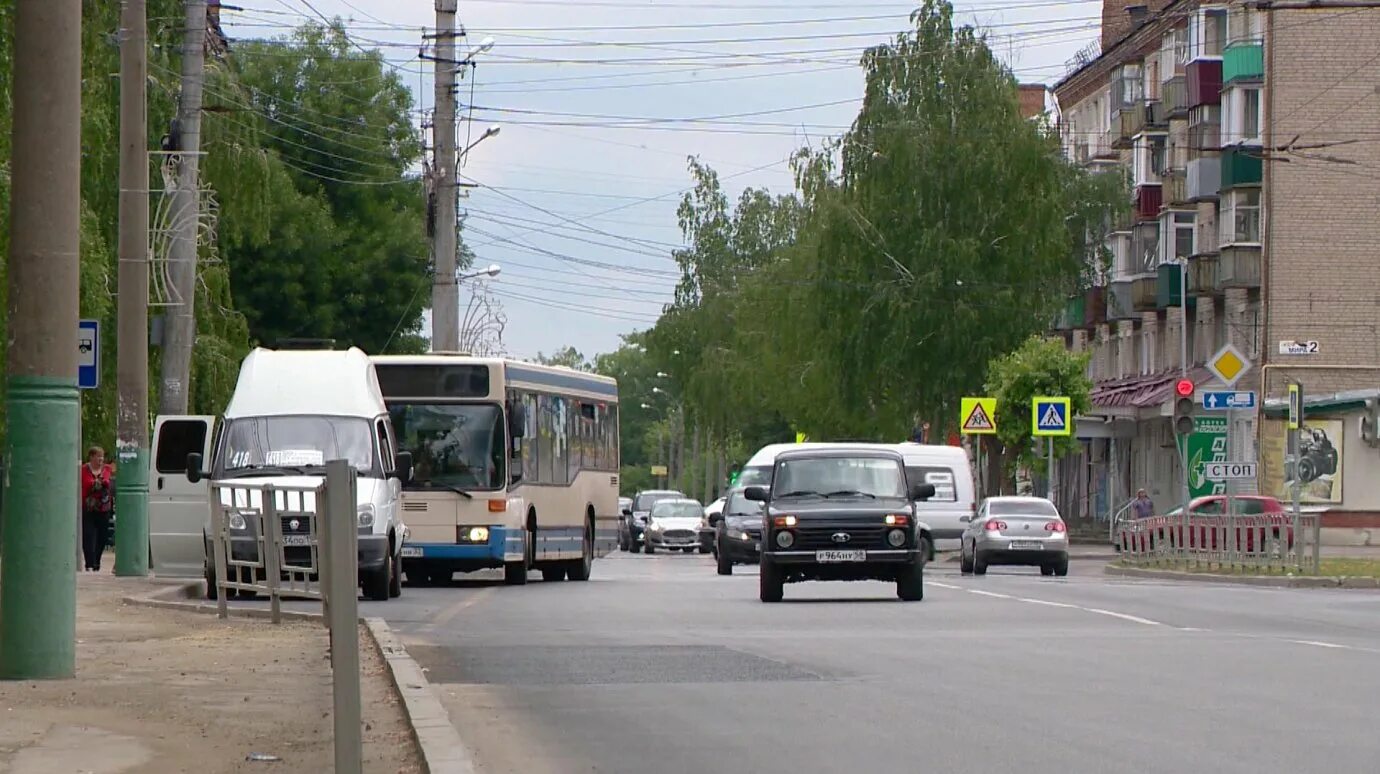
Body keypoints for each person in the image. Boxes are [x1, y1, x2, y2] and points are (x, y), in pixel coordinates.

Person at [80, 446, 115, 572]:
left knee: (102, 536)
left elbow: (106, 482)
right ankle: (89, 563)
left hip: (103, 508)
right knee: (88, 535)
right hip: (88, 507)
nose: (100, 459)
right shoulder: (83, 469)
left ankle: (97, 561)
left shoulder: (107, 468)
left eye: (102, 457)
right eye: (98, 457)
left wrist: (98, 482)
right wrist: (97, 482)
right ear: (91, 457)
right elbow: (87, 483)